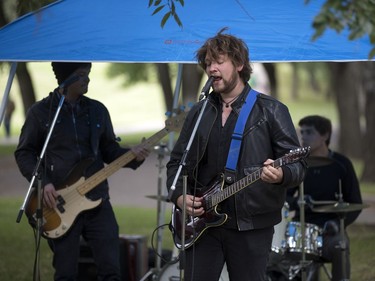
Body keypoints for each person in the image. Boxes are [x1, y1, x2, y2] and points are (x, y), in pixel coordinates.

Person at [166, 28, 307, 281]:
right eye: (208, 63)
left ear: (240, 64)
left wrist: (281, 174)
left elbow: (298, 166)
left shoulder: (271, 110)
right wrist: (178, 196)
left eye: (219, 61)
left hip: (250, 226)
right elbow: (177, 164)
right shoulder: (200, 112)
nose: (211, 69)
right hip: (202, 225)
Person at [14, 62, 150, 281]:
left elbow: (109, 150)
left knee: (112, 271)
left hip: (98, 200)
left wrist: (133, 155)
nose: (87, 80)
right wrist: (43, 181)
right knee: (66, 274)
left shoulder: (97, 110)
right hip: (58, 204)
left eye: (88, 74)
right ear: (65, 80)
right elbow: (24, 153)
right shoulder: (40, 113)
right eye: (81, 75)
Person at [284, 115, 363, 281]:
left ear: (325, 135)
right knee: (296, 261)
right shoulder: (297, 164)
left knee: (340, 244)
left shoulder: (342, 164)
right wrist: (297, 203)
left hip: (331, 231)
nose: (303, 137)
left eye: (309, 132)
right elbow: (285, 200)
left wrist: (339, 223)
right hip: (302, 230)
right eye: (302, 132)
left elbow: (355, 203)